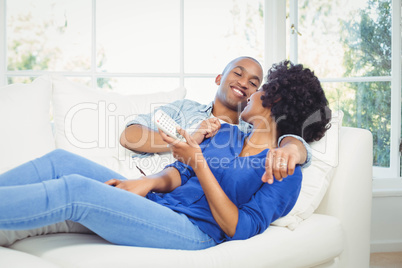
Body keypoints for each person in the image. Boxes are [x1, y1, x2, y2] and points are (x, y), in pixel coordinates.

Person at [0, 61, 330, 249]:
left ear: (273, 101)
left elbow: (239, 228)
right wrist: (149, 184)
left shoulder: (285, 170)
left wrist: (198, 161)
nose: (250, 93)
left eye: (260, 88)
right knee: (62, 161)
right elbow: (179, 173)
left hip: (193, 230)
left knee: (76, 191)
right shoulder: (225, 133)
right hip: (159, 204)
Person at [120, 56, 311, 184]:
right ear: (219, 78)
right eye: (238, 73)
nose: (244, 83)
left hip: (168, 194)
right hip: (132, 173)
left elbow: (295, 143)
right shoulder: (185, 108)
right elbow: (129, 136)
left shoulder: (251, 133)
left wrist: (292, 148)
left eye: (253, 83)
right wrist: (187, 141)